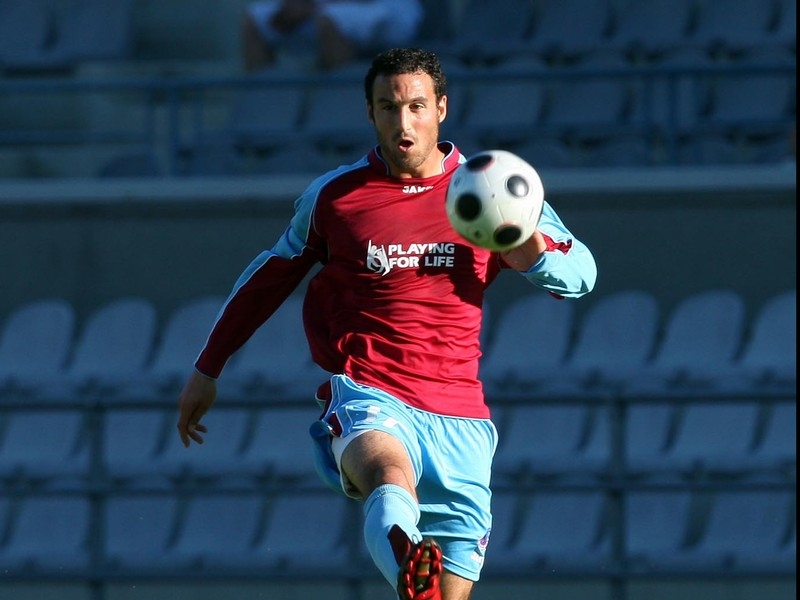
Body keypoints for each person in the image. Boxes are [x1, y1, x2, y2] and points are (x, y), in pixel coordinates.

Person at [177, 47, 597, 600]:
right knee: (386, 471)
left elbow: (582, 272)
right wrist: (208, 367)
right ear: (370, 113)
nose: (404, 123)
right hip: (370, 391)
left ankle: (414, 572)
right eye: (388, 107)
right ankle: (404, 553)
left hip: (461, 416)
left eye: (417, 106)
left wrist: (532, 251)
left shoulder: (491, 190)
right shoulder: (336, 197)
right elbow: (269, 277)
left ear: (442, 108)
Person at [241, 0, 424, 72]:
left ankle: (341, 104)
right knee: (256, 20)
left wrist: (310, 8)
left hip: (388, 10)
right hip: (323, 9)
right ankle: (265, 108)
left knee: (330, 21)